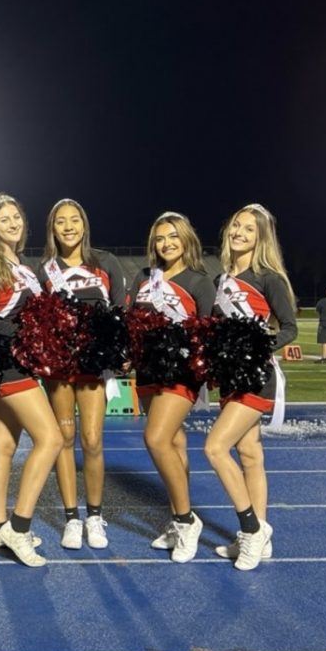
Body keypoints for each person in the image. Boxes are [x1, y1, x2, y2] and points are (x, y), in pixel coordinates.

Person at [0, 193, 63, 567]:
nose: (12, 223)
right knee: (51, 438)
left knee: (4, 448)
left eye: (16, 217)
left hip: (20, 362)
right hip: (8, 364)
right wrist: (17, 334)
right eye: (3, 219)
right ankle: (18, 527)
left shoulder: (21, 264)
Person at [204, 204, 297, 571]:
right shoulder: (220, 280)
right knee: (250, 456)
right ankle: (260, 536)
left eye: (249, 229)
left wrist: (255, 348)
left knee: (215, 448)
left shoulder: (268, 277)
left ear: (261, 238)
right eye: (236, 226)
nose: (239, 233)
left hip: (257, 375)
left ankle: (250, 530)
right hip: (230, 379)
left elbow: (288, 327)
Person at [39, 199, 126, 550]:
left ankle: (94, 515)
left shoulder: (105, 262)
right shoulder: (45, 270)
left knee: (91, 439)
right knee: (64, 437)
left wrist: (118, 352)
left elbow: (120, 310)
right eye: (61, 221)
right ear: (53, 228)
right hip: (60, 365)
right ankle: (71, 518)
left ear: (84, 225)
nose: (69, 226)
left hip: (93, 364)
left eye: (75, 220)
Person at [130, 212, 214, 563]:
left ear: (186, 240)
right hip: (149, 368)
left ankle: (185, 520)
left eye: (173, 237)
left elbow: (209, 330)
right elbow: (133, 319)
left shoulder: (199, 281)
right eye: (160, 239)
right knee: (175, 443)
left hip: (181, 371)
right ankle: (178, 514)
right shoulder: (145, 278)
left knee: (156, 438)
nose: (166, 244)